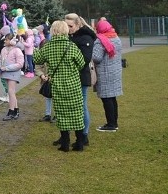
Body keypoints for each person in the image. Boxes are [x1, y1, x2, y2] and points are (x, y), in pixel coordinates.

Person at [34, 21, 86, 151]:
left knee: (61, 114)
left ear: (53, 31)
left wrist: (34, 49)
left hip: (57, 85)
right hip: (73, 85)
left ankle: (65, 144)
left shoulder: (48, 47)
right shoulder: (72, 46)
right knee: (77, 112)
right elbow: (81, 63)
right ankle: (79, 143)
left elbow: (37, 60)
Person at [65, 13, 96, 145]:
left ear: (78, 24)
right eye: (65, 26)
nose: (68, 28)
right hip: (69, 76)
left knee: (81, 106)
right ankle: (65, 134)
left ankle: (84, 135)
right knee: (66, 106)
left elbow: (85, 59)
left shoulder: (85, 37)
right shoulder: (69, 36)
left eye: (70, 26)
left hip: (81, 76)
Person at [92, 19, 123, 132]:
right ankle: (114, 122)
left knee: (107, 99)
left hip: (105, 72)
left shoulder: (100, 40)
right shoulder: (116, 37)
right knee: (112, 98)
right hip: (115, 72)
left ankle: (111, 124)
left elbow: (97, 57)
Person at [0, 33, 25, 121]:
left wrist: (7, 68)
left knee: (10, 92)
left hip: (13, 73)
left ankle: (11, 111)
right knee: (12, 92)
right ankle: (16, 111)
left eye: (6, 39)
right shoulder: (4, 49)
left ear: (12, 41)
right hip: (5, 73)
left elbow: (20, 64)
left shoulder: (17, 50)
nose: (5, 41)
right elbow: (0, 59)